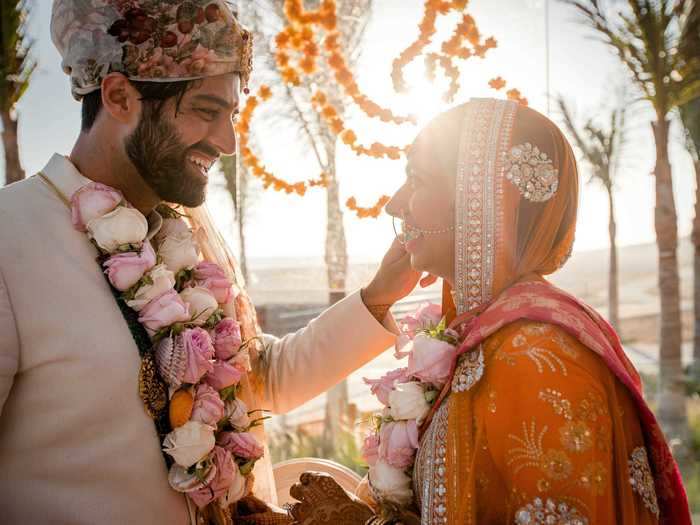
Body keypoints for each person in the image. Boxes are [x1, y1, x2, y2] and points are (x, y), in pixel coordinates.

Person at [0, 1, 420, 523]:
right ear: (119, 96)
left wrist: (381, 293)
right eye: (205, 110)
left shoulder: (183, 234)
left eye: (231, 116)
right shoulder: (9, 238)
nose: (226, 142)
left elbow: (257, 379)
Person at [288, 99, 691, 524]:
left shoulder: (535, 355)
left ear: (483, 199)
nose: (394, 204)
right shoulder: (478, 337)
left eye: (418, 179)